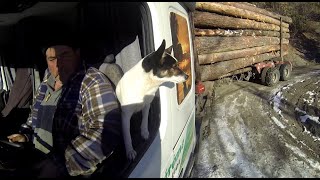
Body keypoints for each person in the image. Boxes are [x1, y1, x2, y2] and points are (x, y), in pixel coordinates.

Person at [5, 37, 122, 177]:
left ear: (77, 53)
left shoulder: (91, 81)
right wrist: (25, 136)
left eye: (64, 55)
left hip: (66, 169)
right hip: (34, 157)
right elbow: (33, 120)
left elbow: (106, 132)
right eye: (52, 59)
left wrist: (62, 164)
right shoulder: (46, 83)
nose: (58, 65)